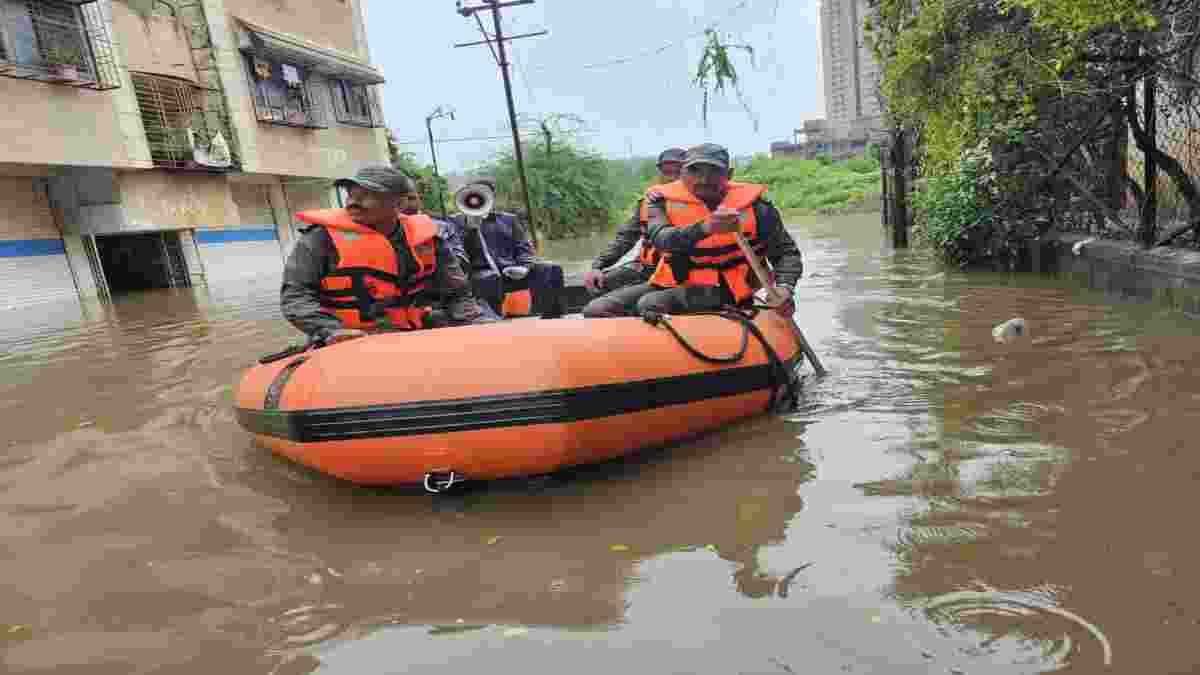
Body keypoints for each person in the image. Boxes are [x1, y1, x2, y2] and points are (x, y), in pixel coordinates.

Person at [280, 166, 492, 345]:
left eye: (366, 196)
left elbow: (457, 293)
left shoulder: (428, 238)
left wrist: (474, 321)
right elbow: (296, 297)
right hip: (350, 342)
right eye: (351, 195)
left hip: (416, 336)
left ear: (398, 205)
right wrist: (330, 330)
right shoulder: (320, 238)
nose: (353, 202)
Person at [632, 143, 804, 318]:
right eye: (696, 171)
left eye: (714, 172)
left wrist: (785, 287)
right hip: (675, 283)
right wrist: (706, 228)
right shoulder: (660, 201)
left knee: (649, 303)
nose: (704, 179)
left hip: (729, 289)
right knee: (605, 306)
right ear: (683, 173)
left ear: (728, 175)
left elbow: (786, 253)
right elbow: (662, 239)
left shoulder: (758, 208)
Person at [580, 147, 686, 318]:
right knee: (598, 283)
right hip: (646, 267)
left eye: (678, 171)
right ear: (660, 173)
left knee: (598, 309)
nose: (672, 176)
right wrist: (598, 266)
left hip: (672, 272)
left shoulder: (696, 204)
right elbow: (625, 238)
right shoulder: (648, 201)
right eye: (667, 171)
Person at [447, 179, 566, 318]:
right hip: (479, 272)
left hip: (510, 270)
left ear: (492, 197)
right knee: (488, 278)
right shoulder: (454, 222)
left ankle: (552, 317)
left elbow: (525, 249)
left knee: (552, 269)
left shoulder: (509, 219)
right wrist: (470, 230)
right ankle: (494, 320)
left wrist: (524, 267)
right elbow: (457, 255)